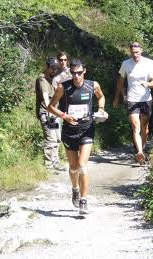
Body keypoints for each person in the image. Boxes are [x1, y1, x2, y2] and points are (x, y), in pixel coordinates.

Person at [48, 59, 108, 214]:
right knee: (73, 167)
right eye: (74, 73)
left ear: (84, 71)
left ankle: (83, 200)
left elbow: (101, 97)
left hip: (87, 129)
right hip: (69, 131)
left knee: (82, 165)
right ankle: (75, 189)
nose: (76, 76)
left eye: (79, 73)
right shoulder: (63, 87)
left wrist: (101, 109)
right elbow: (51, 107)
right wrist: (64, 116)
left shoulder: (92, 85)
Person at [113, 42, 153, 164]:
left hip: (146, 99)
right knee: (135, 127)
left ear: (141, 51)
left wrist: (148, 84)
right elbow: (120, 81)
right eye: (132, 53)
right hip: (132, 99)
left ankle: (141, 150)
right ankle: (139, 152)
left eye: (137, 52)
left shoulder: (149, 63)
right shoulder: (126, 64)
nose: (135, 55)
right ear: (130, 52)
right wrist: (118, 98)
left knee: (145, 128)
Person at [35, 57, 66, 172]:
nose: (54, 70)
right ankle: (48, 165)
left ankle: (55, 162)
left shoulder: (53, 79)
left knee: (57, 139)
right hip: (47, 114)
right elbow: (45, 96)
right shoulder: (42, 79)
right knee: (50, 139)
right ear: (47, 67)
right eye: (52, 68)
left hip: (54, 114)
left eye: (56, 68)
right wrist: (50, 112)